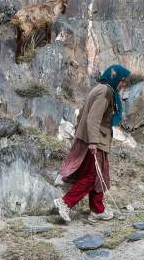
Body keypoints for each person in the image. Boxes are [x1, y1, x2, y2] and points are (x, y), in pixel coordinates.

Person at [53, 64, 131, 223]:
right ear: (114, 77)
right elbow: (93, 118)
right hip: (95, 140)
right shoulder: (105, 92)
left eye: (125, 81)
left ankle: (97, 209)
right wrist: (93, 142)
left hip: (93, 138)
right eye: (122, 80)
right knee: (93, 176)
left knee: (98, 175)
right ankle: (65, 202)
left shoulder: (101, 89)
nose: (123, 84)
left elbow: (82, 112)